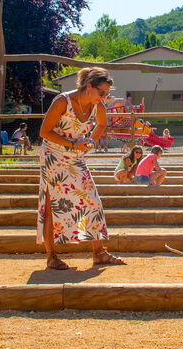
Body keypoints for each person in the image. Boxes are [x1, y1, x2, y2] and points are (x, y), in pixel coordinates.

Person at [37, 67, 125, 269]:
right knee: (52, 204)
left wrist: (90, 142)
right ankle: (51, 256)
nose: (103, 97)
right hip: (53, 155)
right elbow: (44, 131)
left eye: (106, 94)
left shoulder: (98, 106)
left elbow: (101, 125)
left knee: (92, 199)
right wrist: (72, 144)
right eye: (101, 92)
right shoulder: (62, 101)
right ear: (88, 86)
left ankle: (99, 252)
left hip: (76, 156)